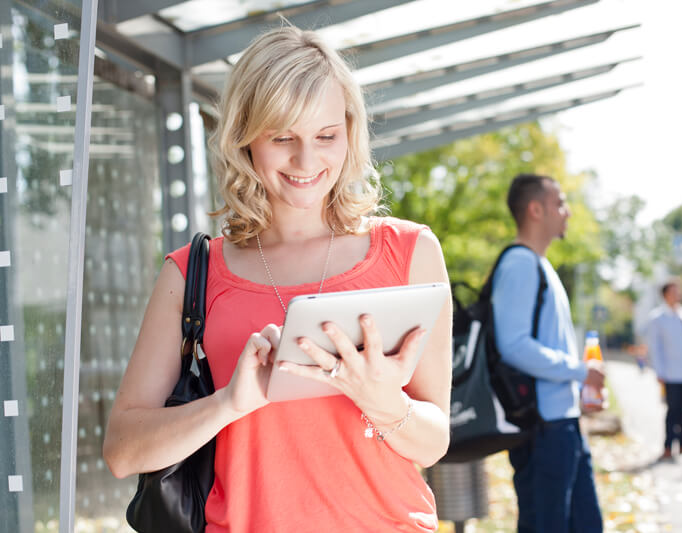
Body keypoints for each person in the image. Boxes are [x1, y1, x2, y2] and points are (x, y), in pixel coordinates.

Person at [103, 26, 452, 532]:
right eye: (283, 137)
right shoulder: (190, 274)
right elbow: (121, 451)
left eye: (326, 136)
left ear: (350, 132)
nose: (306, 162)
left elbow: (434, 441)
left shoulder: (410, 252)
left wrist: (381, 399)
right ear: (245, 137)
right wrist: (230, 404)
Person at [491, 174, 605, 533]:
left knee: (585, 524)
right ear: (535, 209)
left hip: (561, 423)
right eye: (560, 203)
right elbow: (514, 346)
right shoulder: (520, 265)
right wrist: (579, 372)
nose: (567, 212)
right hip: (543, 429)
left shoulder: (540, 266)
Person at [646, 279, 682, 460]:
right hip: (670, 373)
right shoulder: (658, 318)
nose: (677, 295)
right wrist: (659, 372)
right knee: (672, 411)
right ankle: (668, 446)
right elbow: (655, 347)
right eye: (673, 292)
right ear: (665, 295)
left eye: (679, 291)